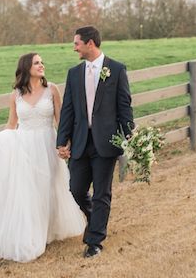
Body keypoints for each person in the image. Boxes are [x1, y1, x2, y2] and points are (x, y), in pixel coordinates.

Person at [0, 53, 86, 263]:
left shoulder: (52, 89)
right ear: (26, 68)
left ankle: (50, 230)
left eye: (42, 62)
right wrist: (0, 143)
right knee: (29, 190)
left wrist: (65, 143)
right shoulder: (15, 95)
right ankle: (33, 234)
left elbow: (61, 121)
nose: (41, 65)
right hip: (24, 147)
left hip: (47, 144)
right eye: (36, 63)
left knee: (48, 187)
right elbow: (12, 124)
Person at [56, 26, 134, 258]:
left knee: (102, 193)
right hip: (81, 142)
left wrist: (130, 136)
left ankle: (95, 241)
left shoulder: (117, 69)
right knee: (75, 190)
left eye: (77, 43)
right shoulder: (74, 73)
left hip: (106, 142)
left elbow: (124, 107)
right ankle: (94, 218)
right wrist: (62, 141)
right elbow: (68, 110)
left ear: (90, 43)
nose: (74, 47)